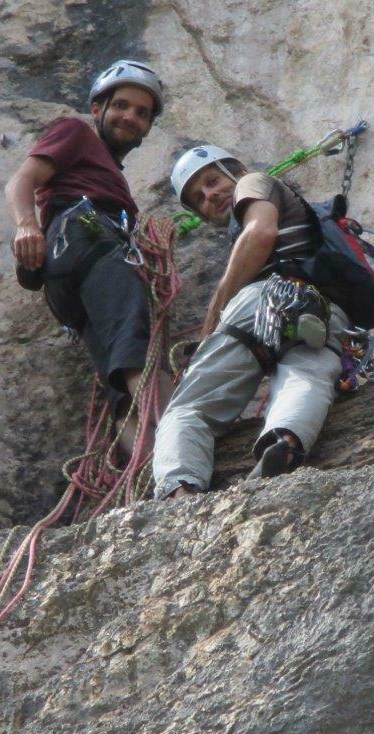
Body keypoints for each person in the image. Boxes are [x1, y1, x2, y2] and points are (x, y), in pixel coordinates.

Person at [152, 145, 351, 499]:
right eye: (199, 198)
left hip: (264, 301)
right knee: (307, 376)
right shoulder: (300, 222)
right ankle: (285, 441)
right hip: (325, 311)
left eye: (212, 180)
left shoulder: (254, 182)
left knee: (190, 408)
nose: (210, 195)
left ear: (238, 169)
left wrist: (216, 312)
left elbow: (260, 233)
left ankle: (179, 489)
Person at [5, 60, 173, 455]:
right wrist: (26, 225)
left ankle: (150, 469)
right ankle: (183, 442)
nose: (130, 117)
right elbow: (21, 180)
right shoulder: (75, 131)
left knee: (118, 380)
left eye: (142, 113)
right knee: (139, 343)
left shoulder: (108, 172)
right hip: (87, 236)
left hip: (68, 276)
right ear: (97, 109)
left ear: (148, 128)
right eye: (121, 105)